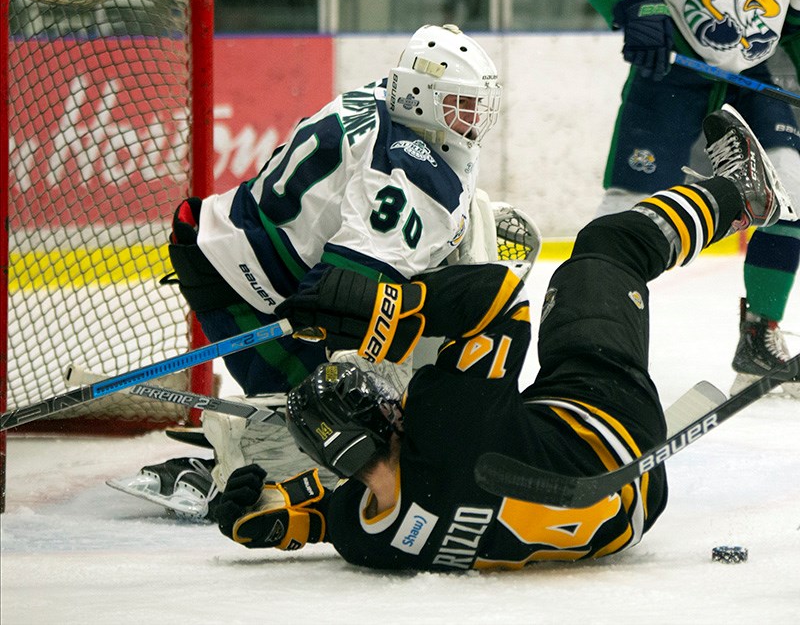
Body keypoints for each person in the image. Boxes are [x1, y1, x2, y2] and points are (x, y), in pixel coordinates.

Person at [211, 105, 796, 570]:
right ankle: (743, 195)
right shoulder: (443, 426)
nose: (392, 400)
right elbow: (500, 299)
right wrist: (391, 305)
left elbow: (342, 503)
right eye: (380, 403)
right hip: (610, 435)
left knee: (503, 418)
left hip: (622, 517)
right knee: (604, 250)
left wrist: (276, 513)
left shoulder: (370, 539)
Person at [107, 24, 509, 519]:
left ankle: (273, 422)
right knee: (350, 437)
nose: (472, 121)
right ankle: (228, 470)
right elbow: (345, 293)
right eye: (459, 105)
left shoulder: (390, 99)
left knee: (376, 390)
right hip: (248, 289)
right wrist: (353, 389)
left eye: (475, 105)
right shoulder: (410, 173)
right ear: (423, 98)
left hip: (235, 246)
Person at [582, 0, 800, 397]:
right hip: (673, 67)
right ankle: (588, 337)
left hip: (755, 73)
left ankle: (759, 336)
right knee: (628, 206)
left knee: (793, 187)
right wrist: (633, 0)